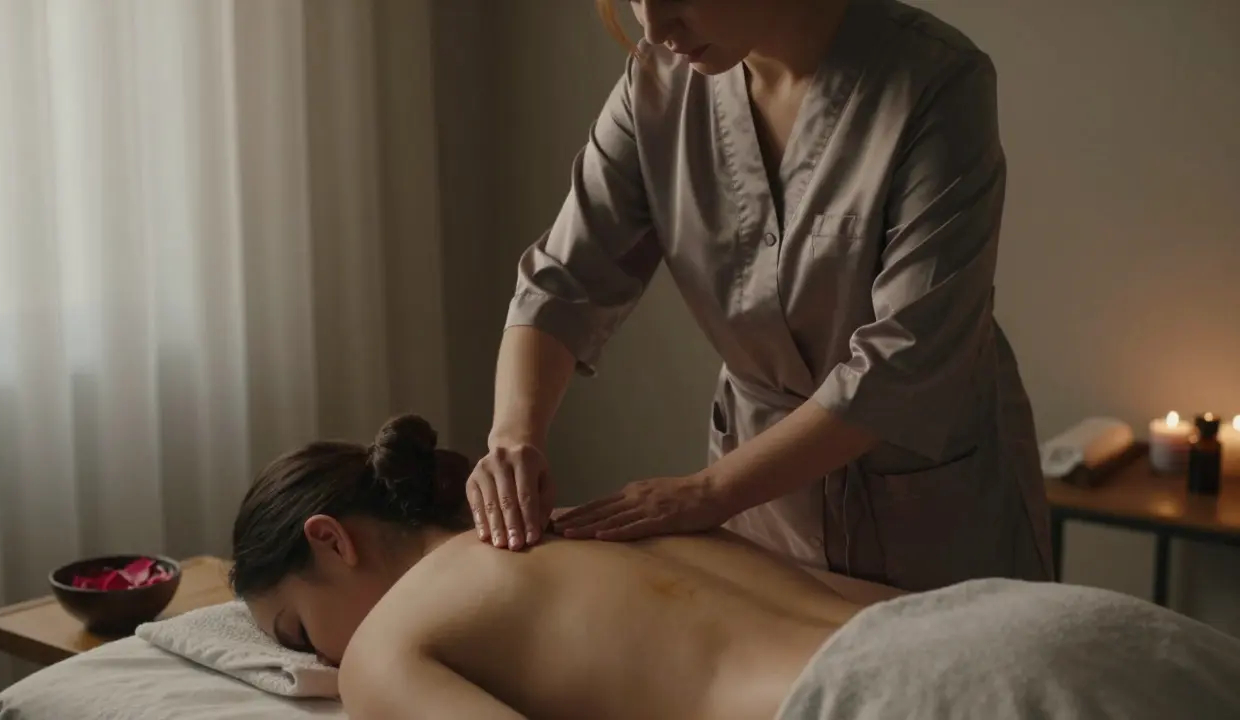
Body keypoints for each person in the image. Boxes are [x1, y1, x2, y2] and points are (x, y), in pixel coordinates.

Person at [465, 0, 1053, 592]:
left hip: (931, 510)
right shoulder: (656, 86)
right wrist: (514, 437)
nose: (655, 28)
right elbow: (563, 279)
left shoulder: (935, 80)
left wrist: (710, 491)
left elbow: (908, 355)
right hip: (761, 510)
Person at [232, 417, 1240, 720]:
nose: (312, 661)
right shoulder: (600, 525)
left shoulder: (387, 648)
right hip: (1034, 625)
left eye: (294, 631)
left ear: (333, 540)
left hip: (886, 699)